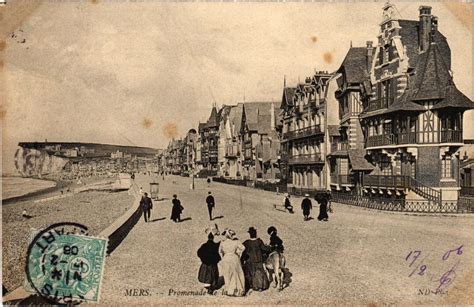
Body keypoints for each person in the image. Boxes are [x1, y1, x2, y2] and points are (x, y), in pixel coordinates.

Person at [241, 227, 270, 292]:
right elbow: (264, 249)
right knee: (260, 272)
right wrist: (269, 247)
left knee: (252, 273)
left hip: (250, 260)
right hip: (259, 259)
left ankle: (253, 285)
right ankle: (261, 286)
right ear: (256, 234)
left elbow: (242, 249)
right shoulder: (259, 241)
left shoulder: (247, 242)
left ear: (250, 234)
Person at [219, 229, 246, 296]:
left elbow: (219, 251)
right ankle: (238, 290)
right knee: (236, 273)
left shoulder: (222, 243)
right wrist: (239, 254)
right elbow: (243, 248)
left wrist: (222, 257)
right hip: (234, 258)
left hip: (226, 258)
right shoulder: (236, 242)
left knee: (227, 274)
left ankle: (228, 290)